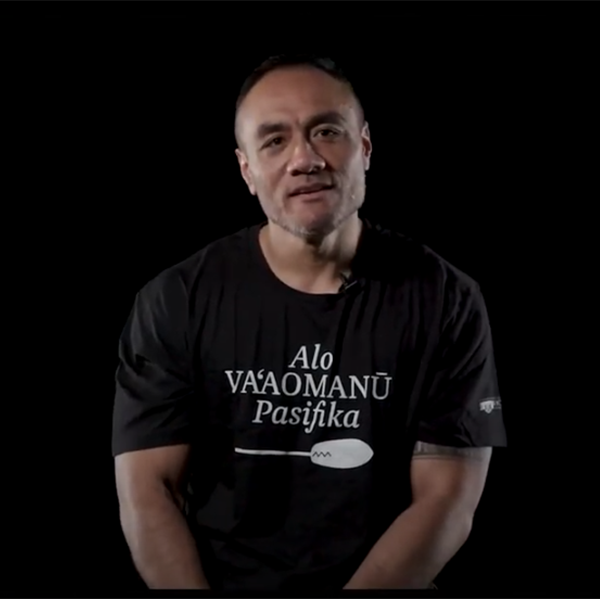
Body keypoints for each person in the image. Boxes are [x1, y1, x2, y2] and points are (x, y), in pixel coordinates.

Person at [111, 54, 507, 591]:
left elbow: (446, 501)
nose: (305, 158)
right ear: (246, 170)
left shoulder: (446, 300)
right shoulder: (176, 299)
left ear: (364, 146)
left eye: (326, 131)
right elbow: (147, 489)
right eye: (274, 141)